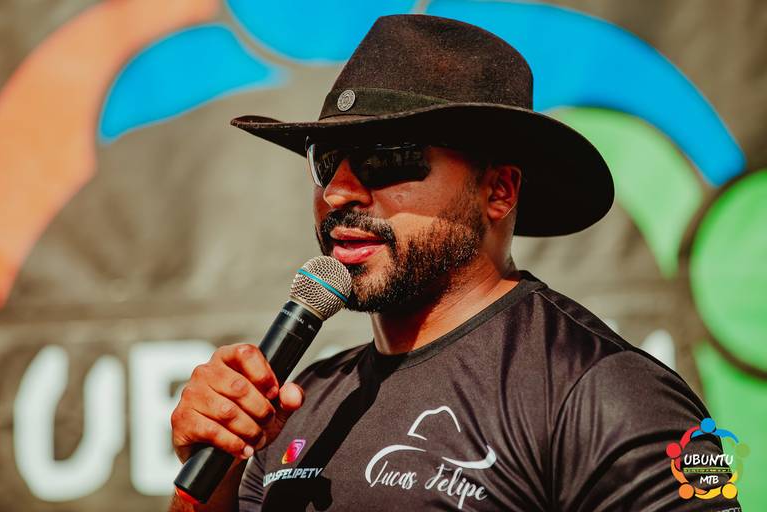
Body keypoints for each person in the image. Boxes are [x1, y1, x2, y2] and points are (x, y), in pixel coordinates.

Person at [169, 14, 739, 511]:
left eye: (385, 158)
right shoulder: (302, 403)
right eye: (326, 161)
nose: (338, 192)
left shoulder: (606, 391)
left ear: (499, 191)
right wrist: (214, 477)